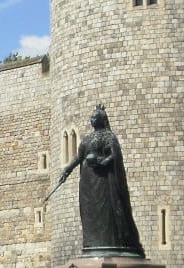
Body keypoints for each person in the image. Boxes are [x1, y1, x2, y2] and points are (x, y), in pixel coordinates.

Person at [49, 104, 145, 257]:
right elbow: (78, 157)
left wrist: (103, 162)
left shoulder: (108, 136)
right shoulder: (87, 139)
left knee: (106, 211)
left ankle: (110, 243)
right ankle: (92, 243)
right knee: (90, 213)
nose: (91, 120)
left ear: (101, 120)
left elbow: (115, 155)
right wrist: (67, 169)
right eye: (91, 117)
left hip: (104, 182)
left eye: (95, 117)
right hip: (88, 183)